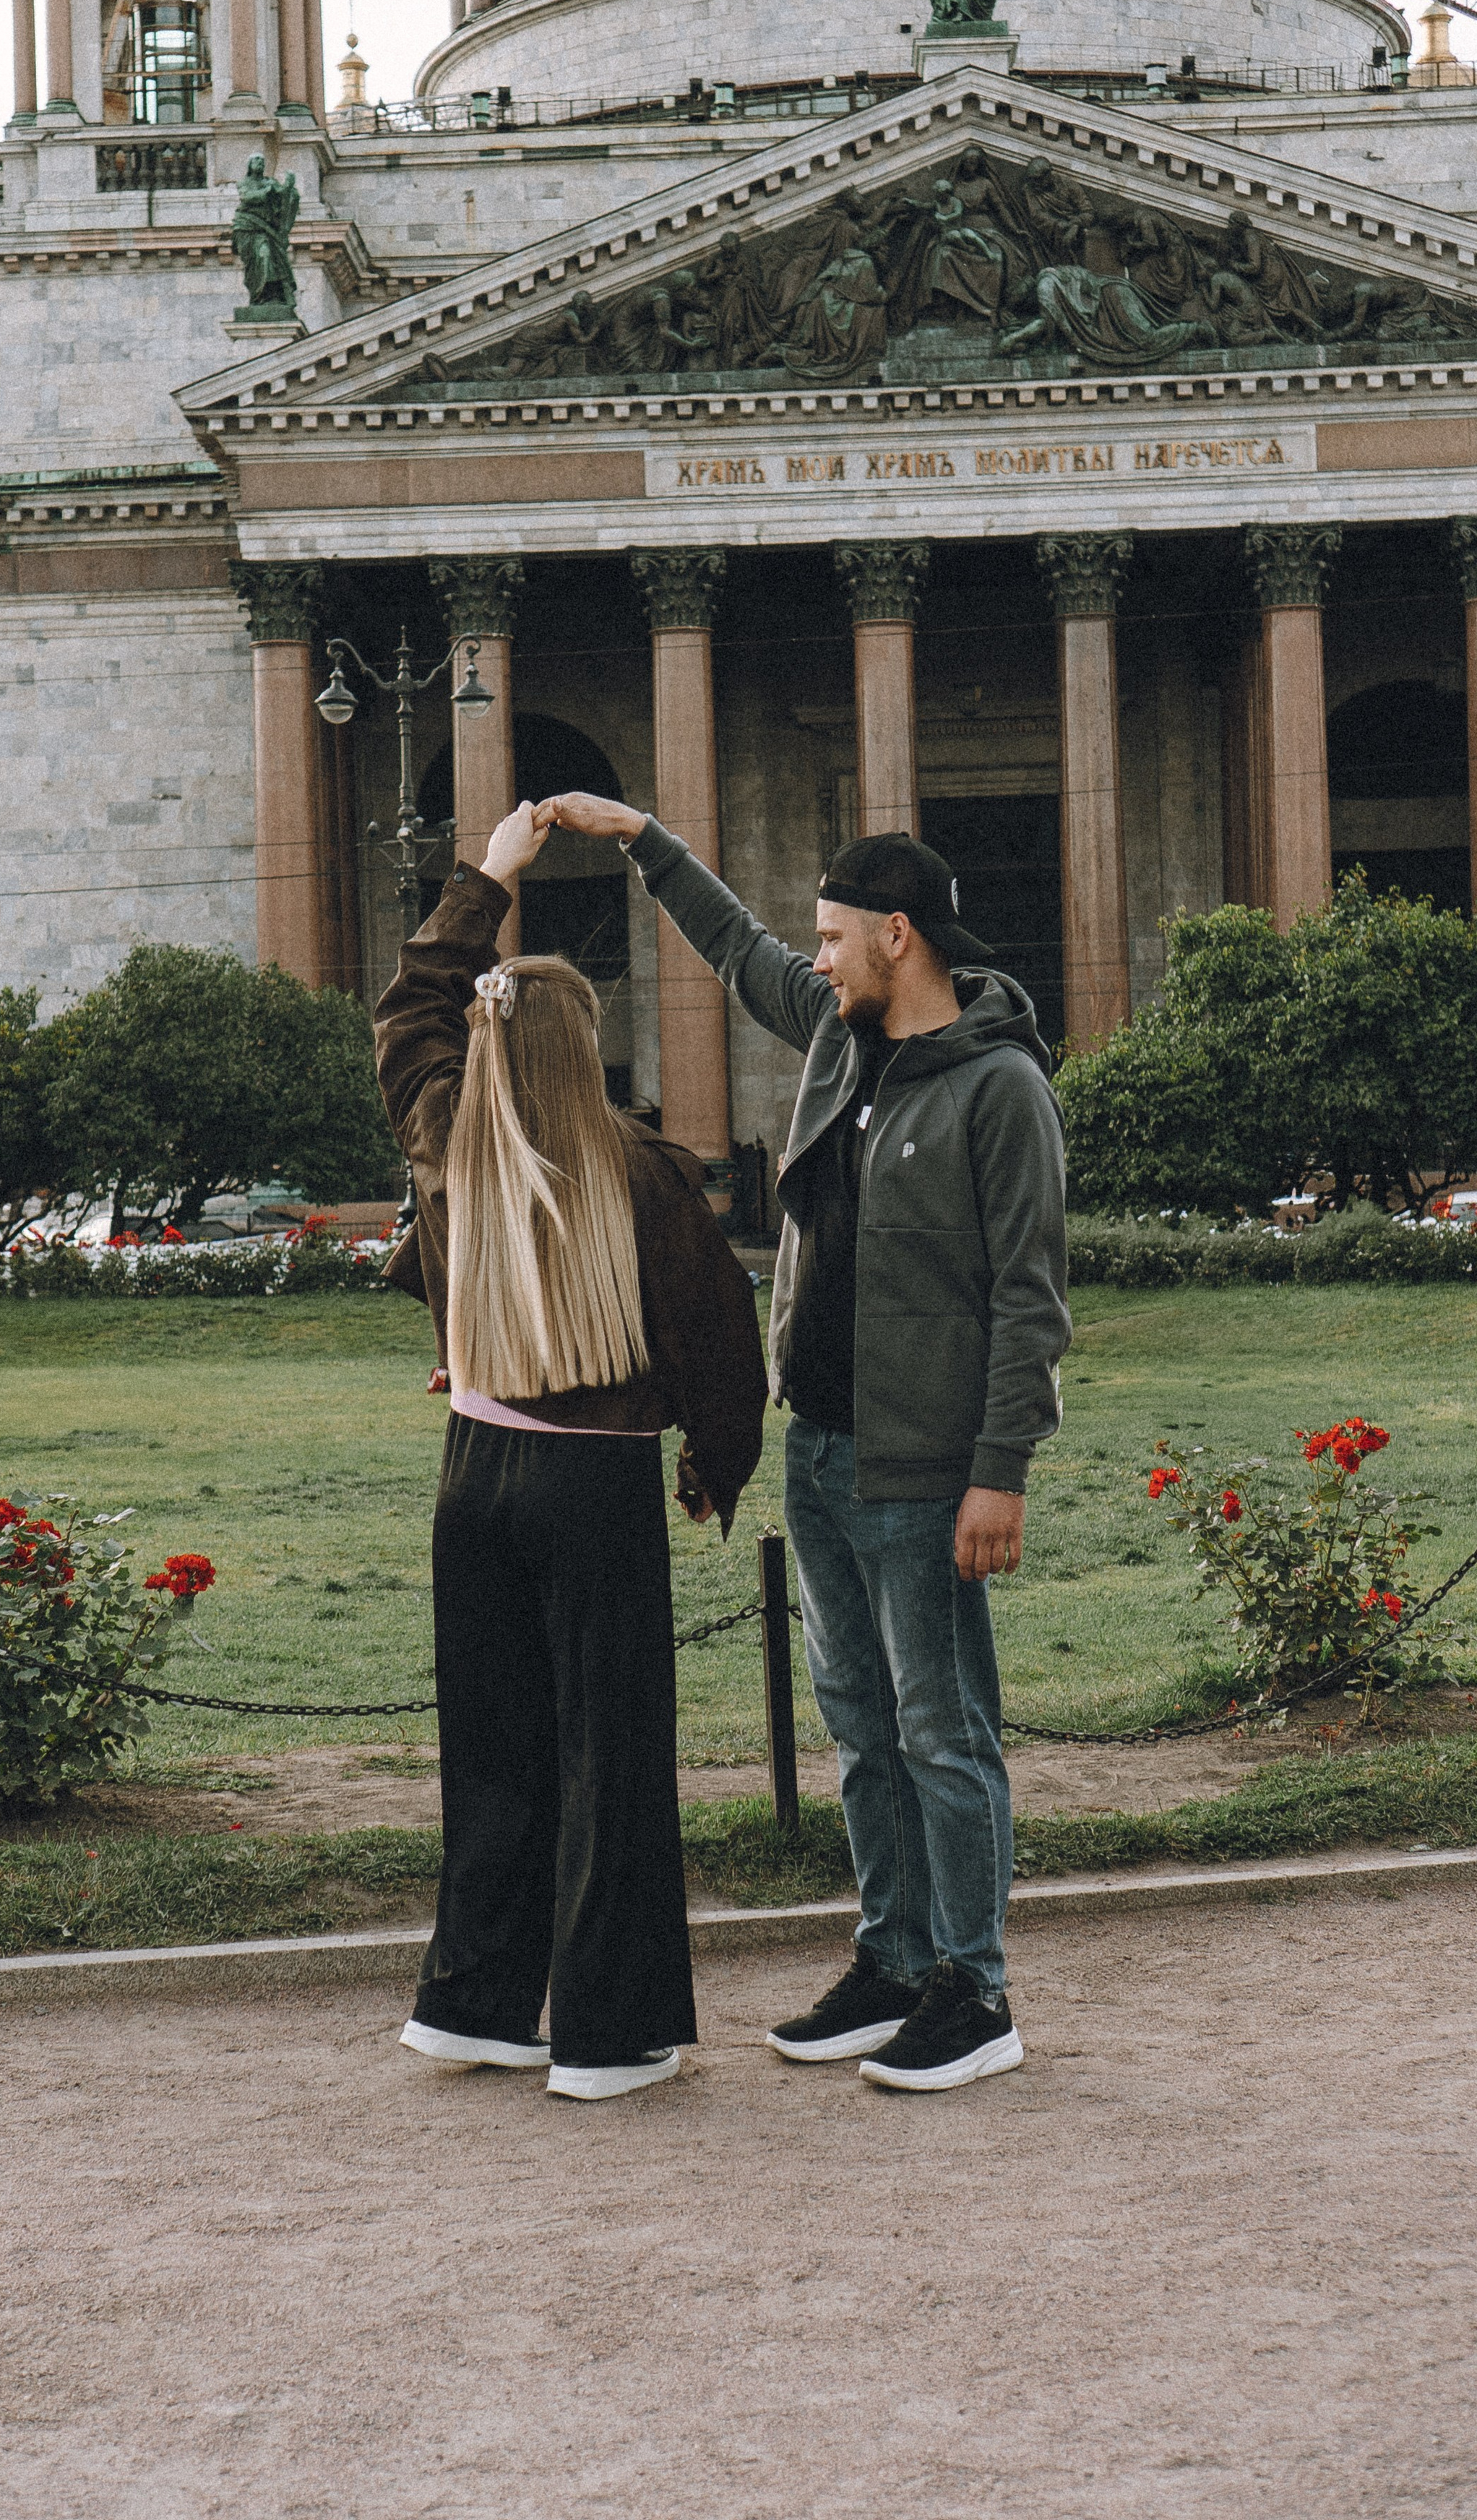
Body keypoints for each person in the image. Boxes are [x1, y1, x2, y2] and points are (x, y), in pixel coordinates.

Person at [549, 796, 1069, 2094]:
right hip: (824, 1454)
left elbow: (1029, 1300)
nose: (816, 958)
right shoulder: (845, 1045)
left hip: (928, 1468)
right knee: (858, 1722)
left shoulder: (1000, 1087)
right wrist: (643, 841)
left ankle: (976, 1987)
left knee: (942, 1728)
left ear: (900, 936)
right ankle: (894, 1960)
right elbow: (737, 950)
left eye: (835, 938)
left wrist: (997, 1473)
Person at [374, 801, 769, 2102]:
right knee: (612, 1757)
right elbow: (721, 1346)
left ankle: (472, 2002)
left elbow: (407, 1011)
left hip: (468, 1474)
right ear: (584, 1052)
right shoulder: (639, 1171)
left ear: (483, 1046)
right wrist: (714, 1463)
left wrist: (488, 879)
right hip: (592, 1482)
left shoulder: (445, 1139)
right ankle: (608, 2035)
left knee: (493, 1751)